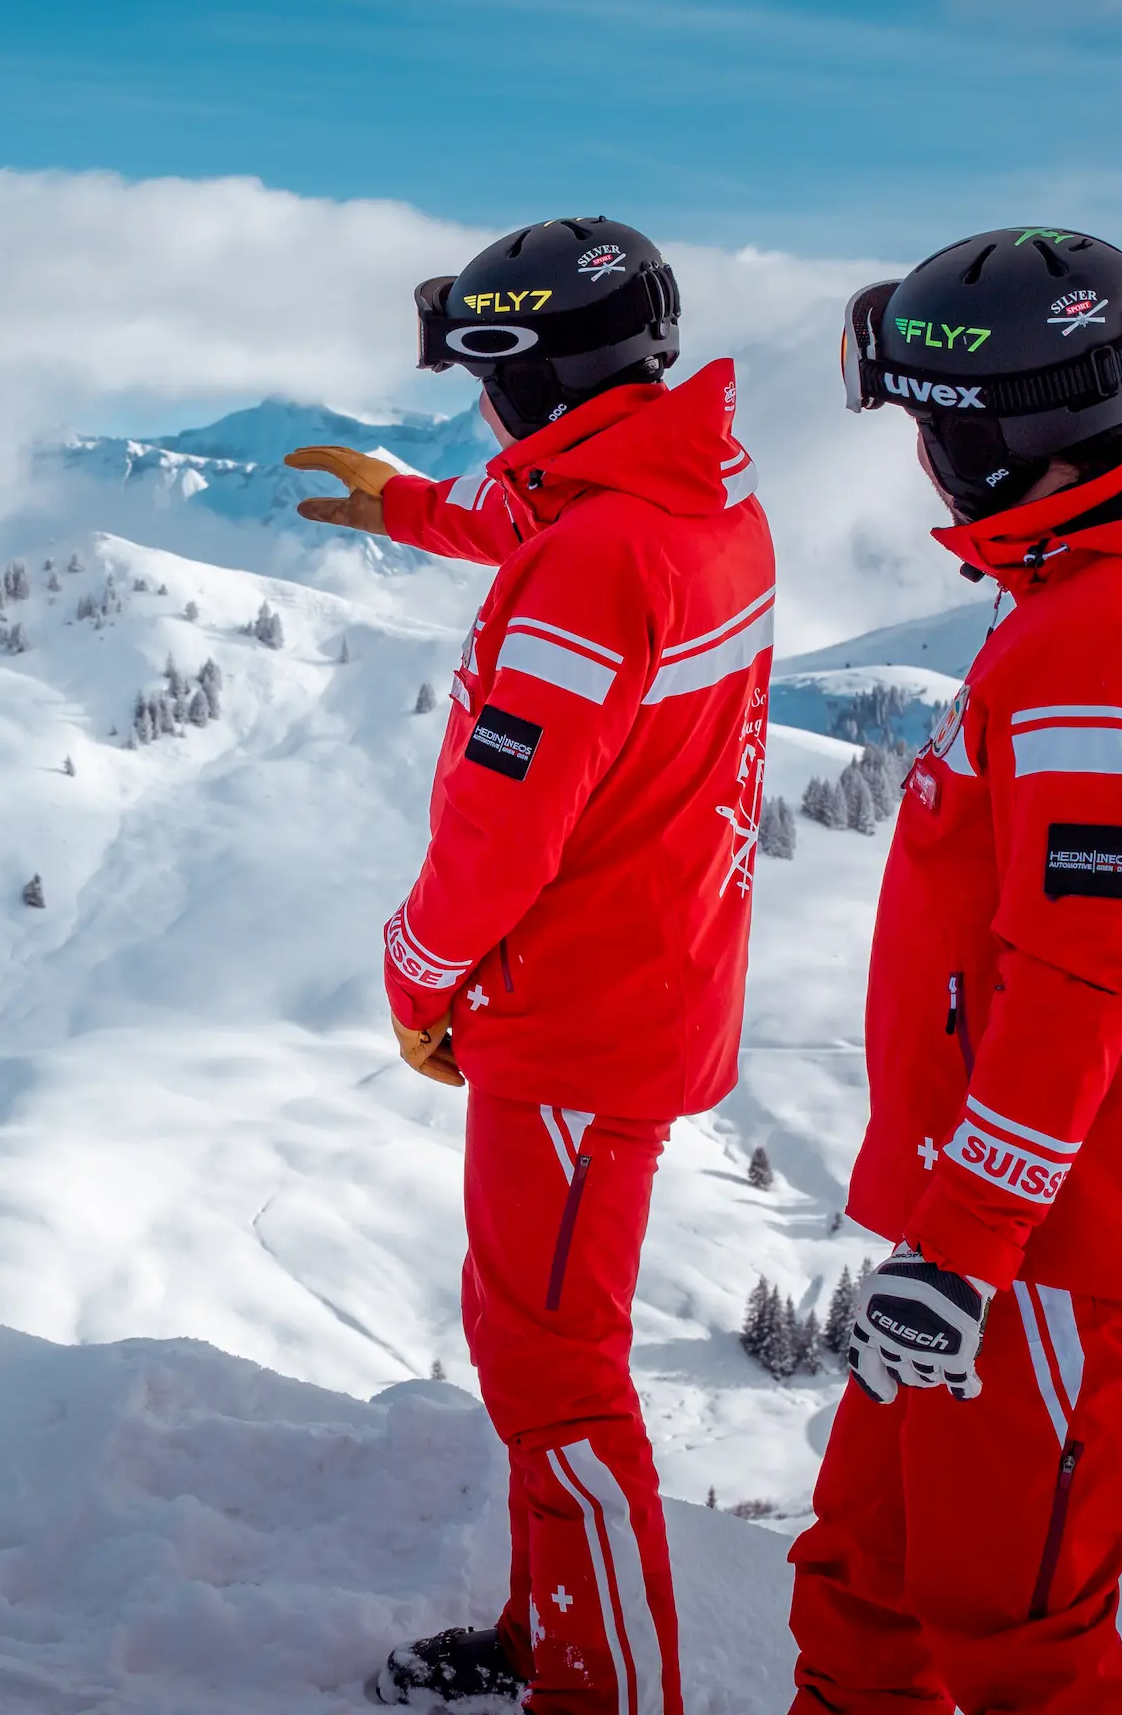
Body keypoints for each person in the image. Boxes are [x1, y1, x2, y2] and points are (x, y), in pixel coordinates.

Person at [293, 218, 779, 1714]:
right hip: (656, 977)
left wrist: (416, 975)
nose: (476, 411)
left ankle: (598, 1686)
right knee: (536, 1339)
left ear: (534, 377)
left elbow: (501, 838)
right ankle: (558, 1634)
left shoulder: (596, 562)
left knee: (554, 1369)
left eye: (482, 378)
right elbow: (556, 534)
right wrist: (413, 511)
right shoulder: (694, 498)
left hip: (572, 1015)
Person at [790, 229, 1122, 1714]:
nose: (926, 462)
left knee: (1013, 1628)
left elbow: (1079, 977)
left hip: (1044, 1245)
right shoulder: (1106, 592)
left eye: (934, 426)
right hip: (986, 1221)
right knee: (866, 1578)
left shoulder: (1105, 635)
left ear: (993, 444)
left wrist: (969, 1247)